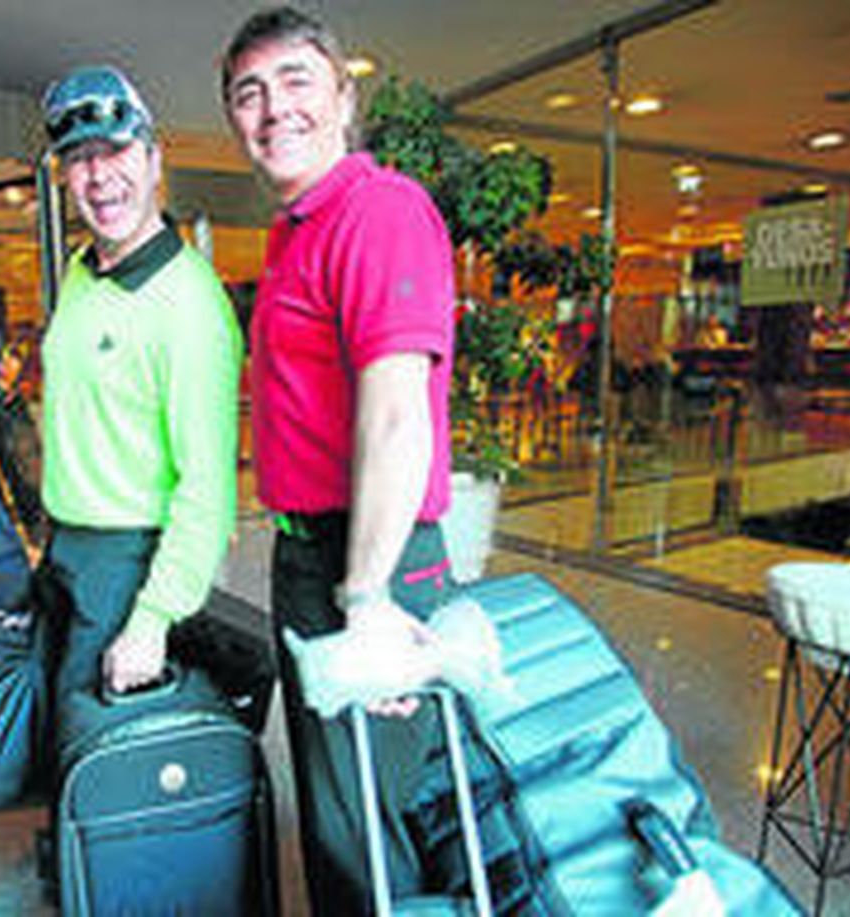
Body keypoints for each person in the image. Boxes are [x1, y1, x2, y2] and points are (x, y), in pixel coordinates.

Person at [221, 7, 529, 912]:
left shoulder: (380, 210)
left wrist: (367, 599)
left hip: (370, 556)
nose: (273, 109)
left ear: (345, 96)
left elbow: (398, 417)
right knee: (341, 809)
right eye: (249, 93)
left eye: (295, 81)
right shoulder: (294, 231)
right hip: (312, 552)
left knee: (375, 820)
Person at [37, 65, 243, 703]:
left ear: (155, 161)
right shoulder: (80, 271)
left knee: (93, 770)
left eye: (117, 150)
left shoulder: (190, 304)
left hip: (128, 568)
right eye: (79, 159)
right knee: (53, 752)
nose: (99, 176)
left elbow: (207, 488)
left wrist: (152, 620)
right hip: (67, 552)